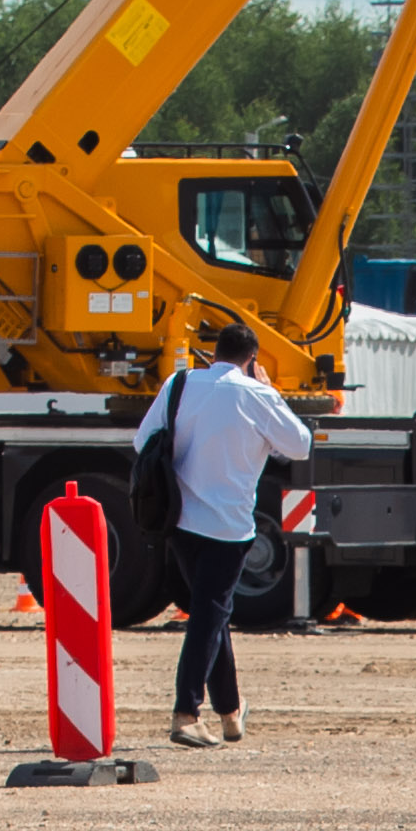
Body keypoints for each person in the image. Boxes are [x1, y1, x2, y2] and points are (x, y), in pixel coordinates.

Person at [148, 317, 314, 745]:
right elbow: (299, 444)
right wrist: (270, 389)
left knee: (212, 612)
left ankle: (230, 712)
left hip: (180, 520)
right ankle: (186, 712)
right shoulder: (256, 394)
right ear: (251, 359)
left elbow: (141, 441)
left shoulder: (179, 384)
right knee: (208, 614)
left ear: (215, 351)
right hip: (229, 526)